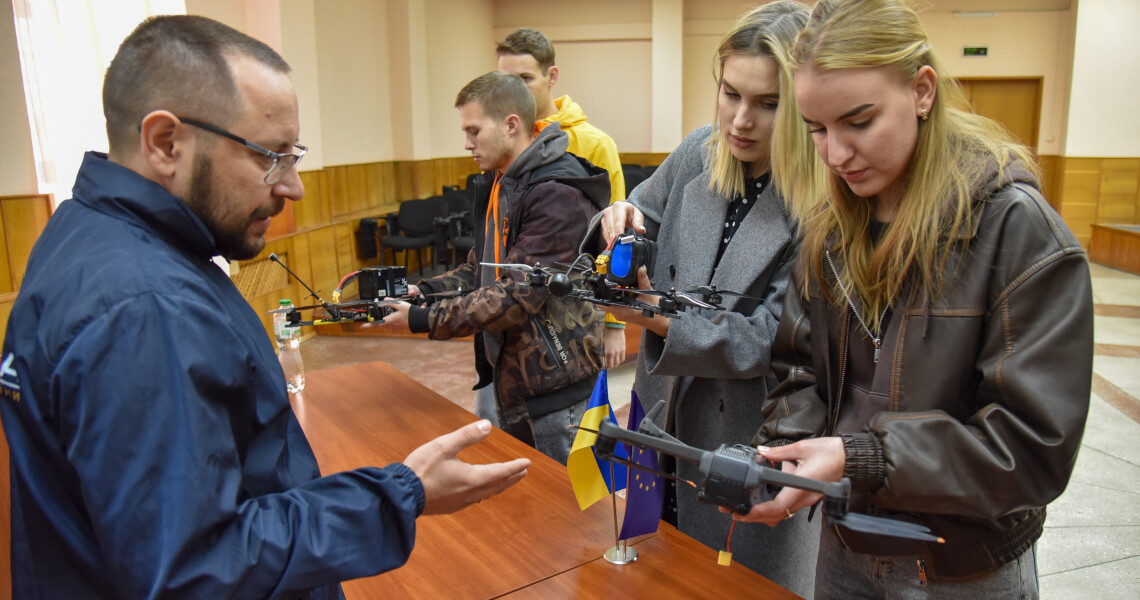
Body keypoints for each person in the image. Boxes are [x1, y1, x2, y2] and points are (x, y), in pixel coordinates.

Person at [0, 16, 529, 599]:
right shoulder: (147, 307)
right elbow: (194, 571)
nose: (294, 186)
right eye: (270, 155)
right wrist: (402, 494)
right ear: (164, 143)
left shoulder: (82, 230)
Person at [735, 0, 1094, 597]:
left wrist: (863, 457)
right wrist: (783, 457)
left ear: (923, 90)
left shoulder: (1017, 231)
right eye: (817, 130)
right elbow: (800, 370)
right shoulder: (829, 228)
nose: (835, 155)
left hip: (963, 567)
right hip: (846, 545)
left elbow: (1031, 450)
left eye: (859, 121)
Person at [593, 3, 817, 596]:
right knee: (656, 569)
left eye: (768, 104)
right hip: (662, 421)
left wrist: (657, 320)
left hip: (747, 438)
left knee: (737, 584)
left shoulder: (820, 200)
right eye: (730, 93)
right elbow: (639, 213)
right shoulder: (699, 151)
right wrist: (619, 219)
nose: (741, 120)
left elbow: (774, 336)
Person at [380, 71, 610, 465]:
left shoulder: (557, 193)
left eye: (474, 130)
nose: (466, 143)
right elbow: (480, 270)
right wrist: (426, 292)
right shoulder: (506, 182)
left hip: (559, 394)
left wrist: (423, 319)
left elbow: (515, 296)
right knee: (529, 511)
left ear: (511, 124)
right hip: (518, 383)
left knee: (574, 517)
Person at [497, 27, 630, 369]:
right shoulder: (502, 139)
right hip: (511, 305)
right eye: (505, 79)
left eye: (524, 78)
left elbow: (615, 238)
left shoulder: (594, 144)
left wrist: (615, 323)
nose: (514, 90)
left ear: (551, 76)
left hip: (572, 307)